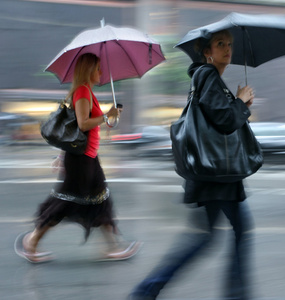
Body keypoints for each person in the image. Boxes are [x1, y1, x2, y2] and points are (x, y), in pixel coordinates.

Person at [128, 30, 256, 300]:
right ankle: (235, 295)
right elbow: (224, 120)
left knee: (206, 236)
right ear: (206, 51)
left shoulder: (209, 78)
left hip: (215, 174)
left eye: (230, 44)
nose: (227, 49)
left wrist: (239, 105)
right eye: (220, 44)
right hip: (217, 176)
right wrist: (241, 103)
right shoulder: (207, 75)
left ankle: (147, 291)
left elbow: (218, 121)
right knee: (232, 232)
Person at [14, 53, 141, 263]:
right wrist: (106, 116)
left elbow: (75, 129)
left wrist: (109, 119)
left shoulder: (87, 92)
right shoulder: (82, 91)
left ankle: (112, 247)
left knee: (101, 199)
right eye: (98, 68)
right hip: (80, 160)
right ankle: (32, 241)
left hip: (89, 157)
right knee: (65, 202)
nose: (101, 72)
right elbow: (82, 124)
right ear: (89, 70)